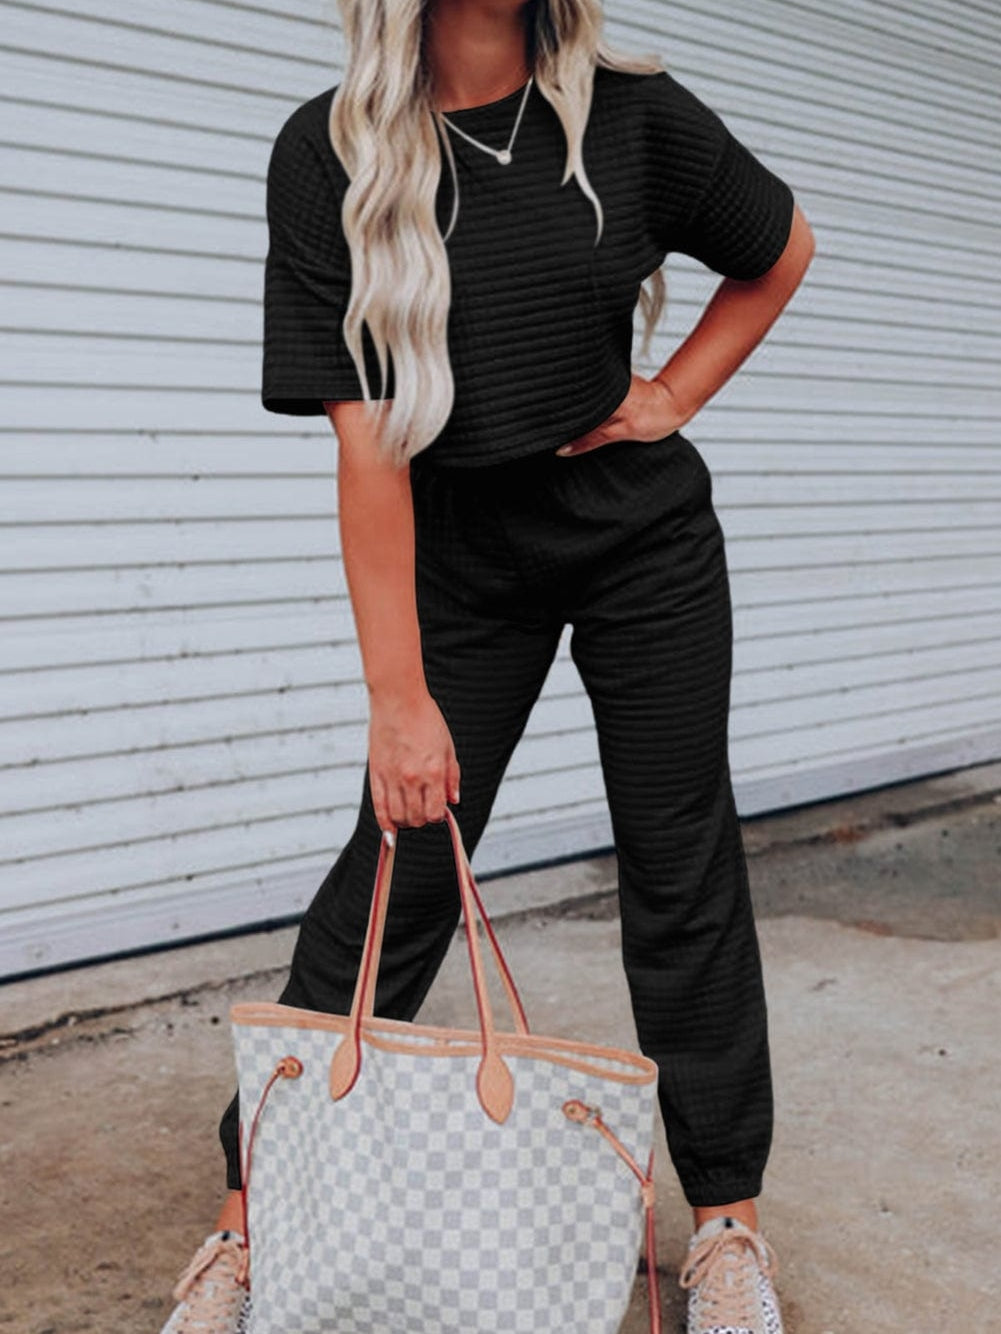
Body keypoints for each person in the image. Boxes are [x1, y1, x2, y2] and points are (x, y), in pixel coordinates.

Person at [159, 0, 815, 1331]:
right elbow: (367, 449)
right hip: (460, 551)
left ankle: (726, 1226)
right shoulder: (329, 152)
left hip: (641, 536)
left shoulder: (630, 113)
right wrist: (397, 702)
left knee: (677, 859)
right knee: (394, 873)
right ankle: (249, 1217)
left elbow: (779, 249)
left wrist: (671, 395)